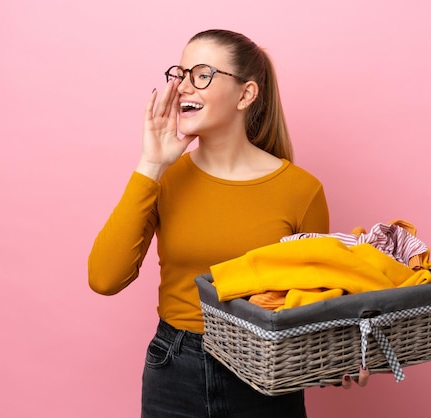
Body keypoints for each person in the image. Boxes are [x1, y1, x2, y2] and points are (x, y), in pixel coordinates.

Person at [88, 28, 368, 418]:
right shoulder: (164, 178)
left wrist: (339, 353)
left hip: (266, 371)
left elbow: (313, 297)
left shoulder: (301, 190)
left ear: (246, 94)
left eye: (201, 74)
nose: (184, 87)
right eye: (180, 74)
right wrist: (151, 163)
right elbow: (104, 278)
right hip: (175, 369)